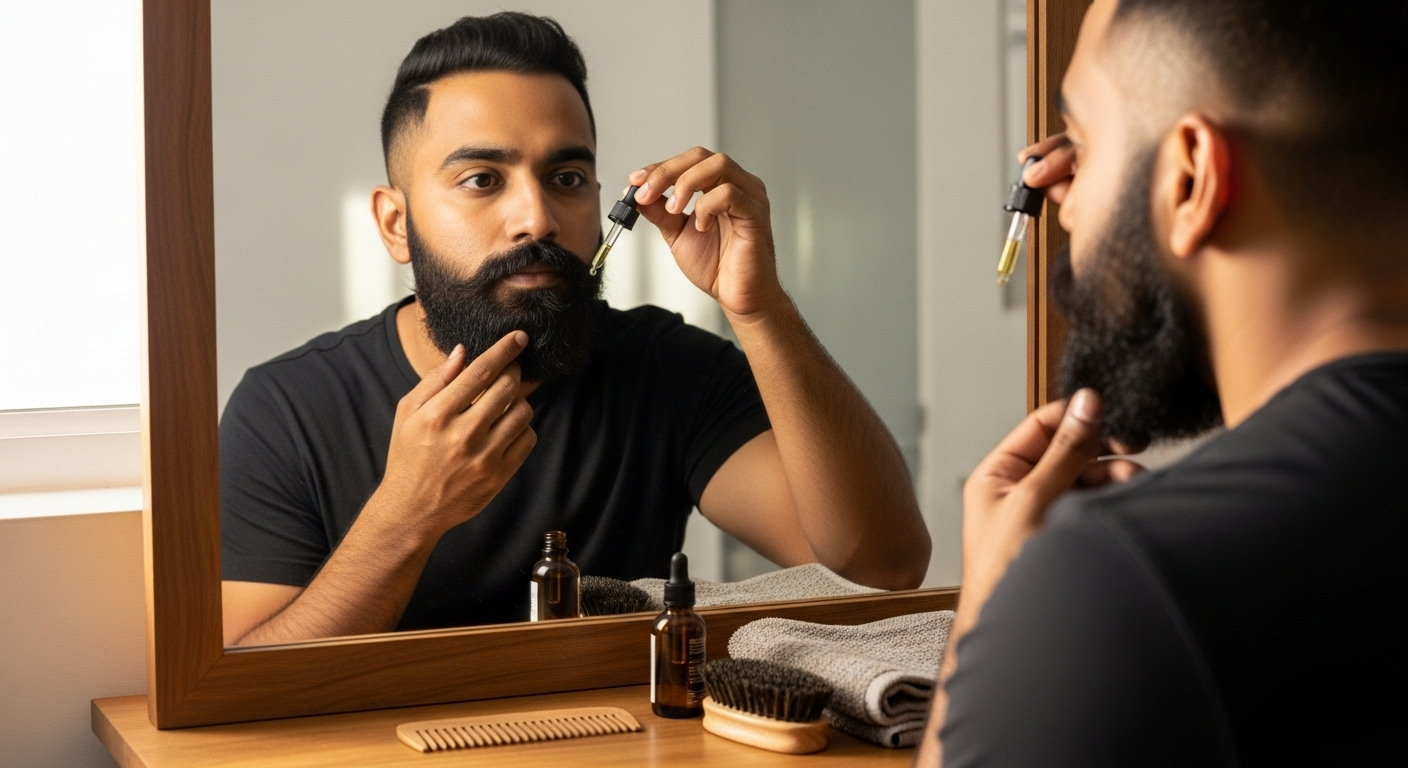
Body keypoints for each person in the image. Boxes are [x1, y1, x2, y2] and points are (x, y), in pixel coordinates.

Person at [219, 13, 929, 645]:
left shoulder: (670, 370)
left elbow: (885, 563)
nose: (538, 218)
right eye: (482, 180)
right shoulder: (284, 410)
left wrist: (761, 307)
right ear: (395, 224)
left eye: (566, 177)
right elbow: (239, 685)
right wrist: (407, 514)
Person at [918, 0, 1407, 764]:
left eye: (1080, 142)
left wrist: (995, 610)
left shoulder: (1112, 591)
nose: (1063, 201)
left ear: (1189, 177)